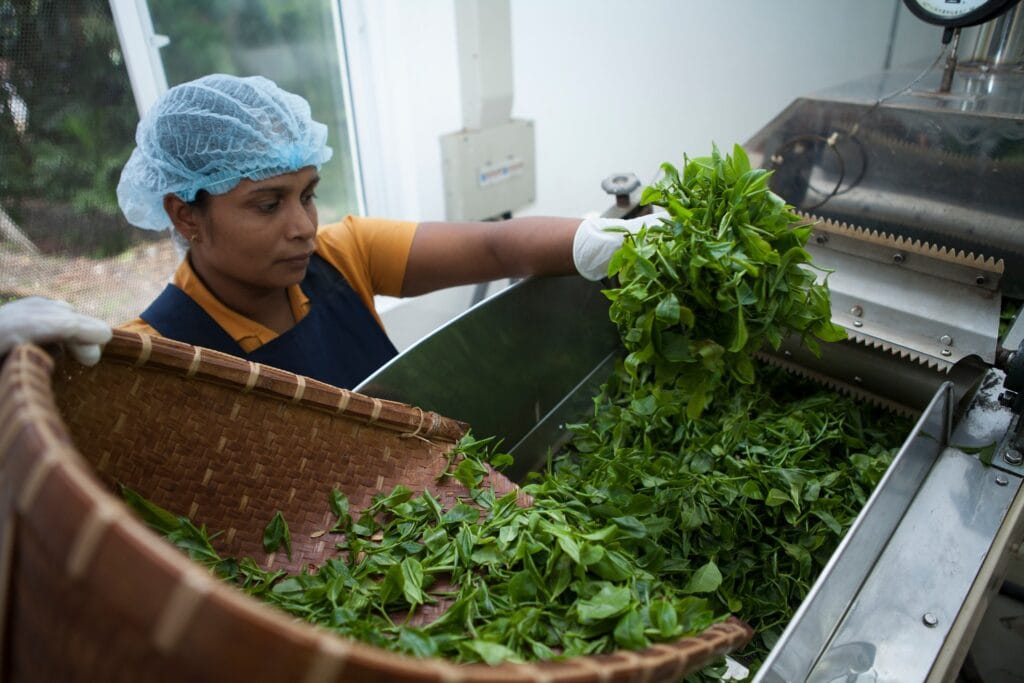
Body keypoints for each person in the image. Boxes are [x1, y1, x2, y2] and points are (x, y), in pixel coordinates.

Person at [0, 74, 661, 386]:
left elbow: (491, 245)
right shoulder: (153, 353)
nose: (304, 228)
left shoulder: (343, 255)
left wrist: (595, 239)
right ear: (184, 214)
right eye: (268, 204)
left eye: (309, 196)